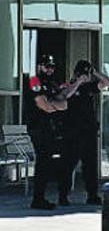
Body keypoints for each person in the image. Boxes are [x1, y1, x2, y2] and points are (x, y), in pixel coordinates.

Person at [25, 55, 80, 210]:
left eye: (52, 67)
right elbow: (45, 106)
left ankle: (58, 195)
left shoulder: (50, 82)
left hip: (52, 128)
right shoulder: (34, 81)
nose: (50, 69)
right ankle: (38, 199)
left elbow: (64, 98)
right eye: (46, 66)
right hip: (39, 128)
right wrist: (57, 105)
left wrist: (77, 84)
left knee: (55, 161)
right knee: (43, 163)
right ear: (39, 66)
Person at [59, 60, 109, 205]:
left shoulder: (89, 87)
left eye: (86, 74)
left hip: (89, 132)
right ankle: (63, 195)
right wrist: (77, 82)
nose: (85, 76)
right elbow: (66, 95)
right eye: (83, 73)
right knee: (68, 165)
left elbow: (106, 83)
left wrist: (94, 72)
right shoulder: (68, 86)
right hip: (72, 132)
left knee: (90, 165)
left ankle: (92, 195)